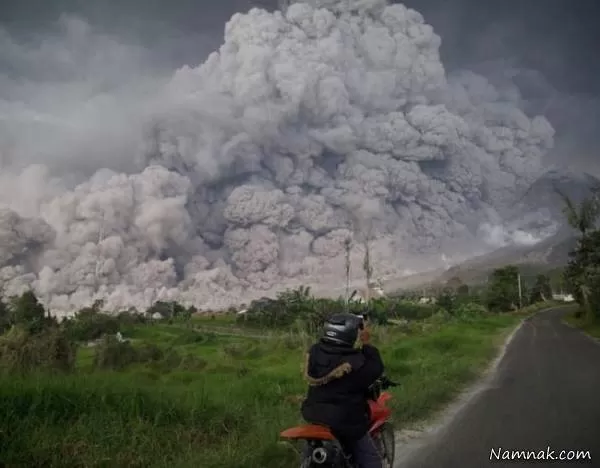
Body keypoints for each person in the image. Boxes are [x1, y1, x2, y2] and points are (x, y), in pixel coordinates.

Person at [301, 312, 384, 468]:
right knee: (373, 461)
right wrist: (366, 343)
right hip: (344, 420)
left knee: (312, 452)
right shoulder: (357, 361)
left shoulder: (314, 351)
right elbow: (376, 369)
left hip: (313, 414)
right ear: (349, 335)